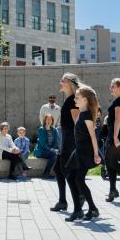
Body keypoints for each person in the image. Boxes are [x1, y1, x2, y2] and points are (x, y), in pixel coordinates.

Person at [64, 85, 102, 222]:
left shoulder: (86, 116)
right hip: (79, 150)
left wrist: (96, 154)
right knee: (71, 177)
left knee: (77, 179)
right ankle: (89, 209)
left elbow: (93, 137)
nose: (75, 99)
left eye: (78, 97)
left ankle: (81, 210)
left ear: (85, 100)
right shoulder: (81, 112)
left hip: (85, 152)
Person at [50, 73, 81, 213]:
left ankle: (78, 198)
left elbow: (77, 123)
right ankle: (63, 200)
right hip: (66, 138)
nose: (60, 82)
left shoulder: (73, 100)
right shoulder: (69, 99)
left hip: (70, 139)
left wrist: (77, 142)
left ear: (69, 83)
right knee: (58, 169)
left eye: (62, 80)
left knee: (66, 171)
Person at [34, 114, 60, 179]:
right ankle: (46, 173)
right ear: (44, 120)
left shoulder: (54, 129)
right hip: (41, 151)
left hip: (50, 150)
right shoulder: (41, 129)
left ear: (52, 121)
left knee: (59, 153)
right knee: (54, 155)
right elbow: (43, 143)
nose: (49, 121)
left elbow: (55, 141)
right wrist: (52, 150)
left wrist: (54, 149)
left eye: (50, 119)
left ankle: (60, 172)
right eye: (47, 119)